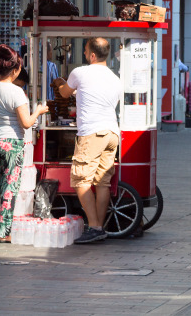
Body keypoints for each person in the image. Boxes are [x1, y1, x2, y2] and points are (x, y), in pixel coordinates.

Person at [0, 46, 47, 241]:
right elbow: (26, 123)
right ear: (15, 70)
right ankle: (3, 233)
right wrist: (39, 111)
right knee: (10, 187)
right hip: (12, 143)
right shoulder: (17, 93)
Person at [59, 37, 122, 244]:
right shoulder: (115, 78)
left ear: (93, 55)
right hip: (112, 132)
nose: (84, 55)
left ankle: (94, 226)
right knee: (102, 182)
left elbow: (64, 93)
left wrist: (61, 84)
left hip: (92, 132)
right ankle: (99, 227)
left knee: (81, 180)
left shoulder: (80, 72)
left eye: (85, 52)